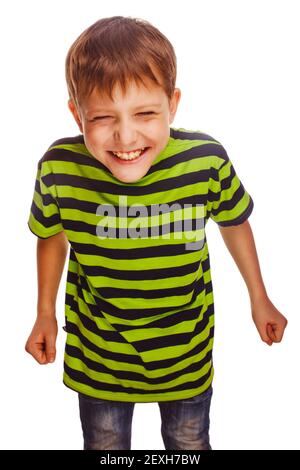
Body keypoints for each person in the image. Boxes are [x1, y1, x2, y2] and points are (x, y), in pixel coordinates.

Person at [25, 16, 287, 451]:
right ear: (77, 113)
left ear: (173, 104)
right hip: (101, 356)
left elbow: (234, 221)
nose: (125, 136)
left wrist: (259, 297)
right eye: (103, 117)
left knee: (189, 444)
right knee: (105, 447)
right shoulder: (59, 167)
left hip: (184, 352)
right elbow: (51, 236)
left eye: (145, 113)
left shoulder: (205, 161)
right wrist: (45, 312)